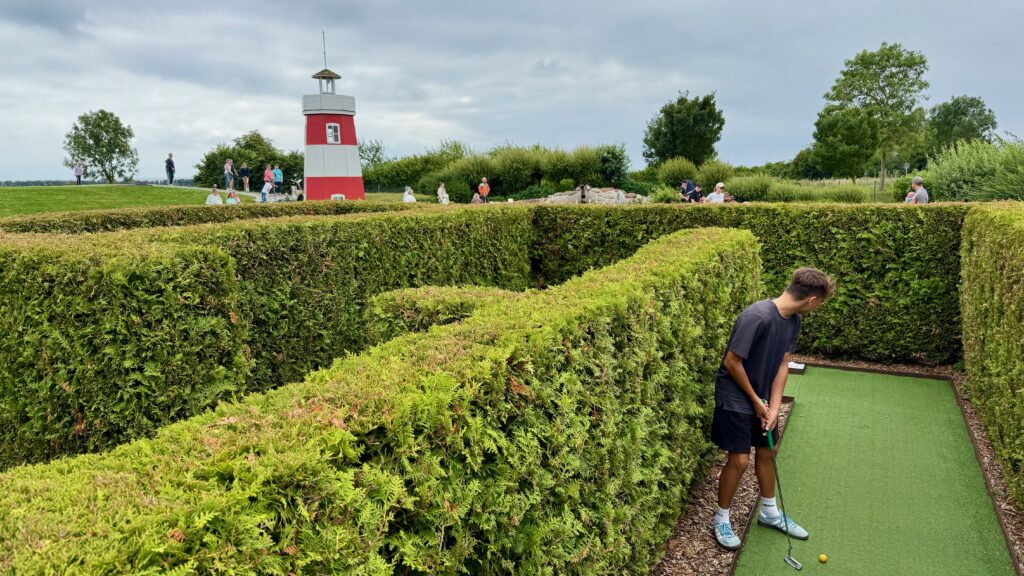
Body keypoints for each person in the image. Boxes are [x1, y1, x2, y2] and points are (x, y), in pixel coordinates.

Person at [711, 268, 835, 551]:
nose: (816, 308)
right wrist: (756, 401)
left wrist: (774, 407)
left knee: (769, 450)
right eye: (819, 304)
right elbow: (731, 362)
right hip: (735, 396)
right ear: (812, 300)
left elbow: (782, 363)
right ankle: (721, 518)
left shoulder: (794, 320)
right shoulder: (756, 316)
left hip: (763, 398)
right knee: (740, 460)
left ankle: (769, 512)